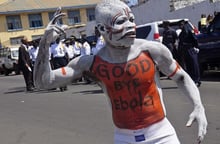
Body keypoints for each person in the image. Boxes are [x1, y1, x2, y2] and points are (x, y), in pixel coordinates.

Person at [34, 1, 207, 144]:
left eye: (131, 19)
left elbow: (181, 77)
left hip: (162, 135)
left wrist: (198, 106)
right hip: (124, 139)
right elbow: (43, 82)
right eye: (120, 21)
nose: (131, 25)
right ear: (102, 29)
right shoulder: (91, 63)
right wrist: (45, 44)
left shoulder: (152, 51)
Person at [178, 20, 201, 87]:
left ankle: (197, 79)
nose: (180, 26)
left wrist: (196, 47)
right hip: (185, 50)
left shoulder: (189, 31)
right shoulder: (181, 33)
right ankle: (192, 80)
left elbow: (195, 39)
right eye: (179, 25)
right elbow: (180, 43)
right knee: (188, 65)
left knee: (194, 65)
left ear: (184, 24)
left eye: (181, 25)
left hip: (191, 49)